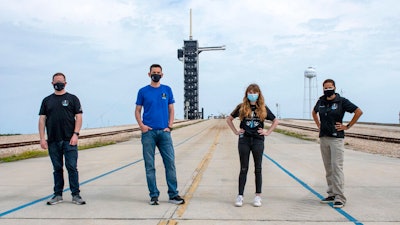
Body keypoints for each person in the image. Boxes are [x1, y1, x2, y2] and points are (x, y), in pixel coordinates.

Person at [135, 64, 185, 205]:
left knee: (170, 164)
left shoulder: (166, 90)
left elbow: (171, 109)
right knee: (150, 165)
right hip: (149, 133)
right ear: (149, 74)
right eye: (153, 72)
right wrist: (142, 126)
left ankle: (173, 194)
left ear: (162, 75)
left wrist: (170, 126)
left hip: (164, 133)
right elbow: (138, 110)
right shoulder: (143, 91)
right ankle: (154, 195)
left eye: (158, 72)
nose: (155, 74)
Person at [312, 79, 363, 208]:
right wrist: (319, 125)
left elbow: (358, 112)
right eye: (325, 88)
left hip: (336, 139)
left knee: (337, 168)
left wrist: (347, 126)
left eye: (330, 87)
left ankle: (340, 197)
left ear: (334, 87)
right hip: (324, 138)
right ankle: (332, 194)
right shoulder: (321, 101)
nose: (328, 89)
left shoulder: (342, 101)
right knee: (328, 168)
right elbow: (314, 112)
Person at [226, 83, 279, 207]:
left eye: (255, 92)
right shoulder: (241, 107)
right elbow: (229, 119)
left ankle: (257, 196)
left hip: (257, 140)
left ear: (259, 94)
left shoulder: (263, 108)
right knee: (244, 168)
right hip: (244, 140)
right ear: (246, 94)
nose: (252, 95)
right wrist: (235, 131)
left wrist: (267, 132)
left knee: (258, 168)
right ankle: (240, 196)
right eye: (250, 92)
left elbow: (275, 120)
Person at [38, 72, 86, 205]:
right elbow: (42, 119)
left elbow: (79, 117)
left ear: (65, 83)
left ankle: (76, 195)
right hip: (53, 140)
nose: (58, 84)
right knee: (57, 168)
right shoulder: (47, 101)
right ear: (52, 83)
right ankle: (57, 195)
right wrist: (42, 138)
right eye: (56, 81)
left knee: (72, 167)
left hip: (69, 140)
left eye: (61, 81)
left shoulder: (72, 98)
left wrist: (75, 134)